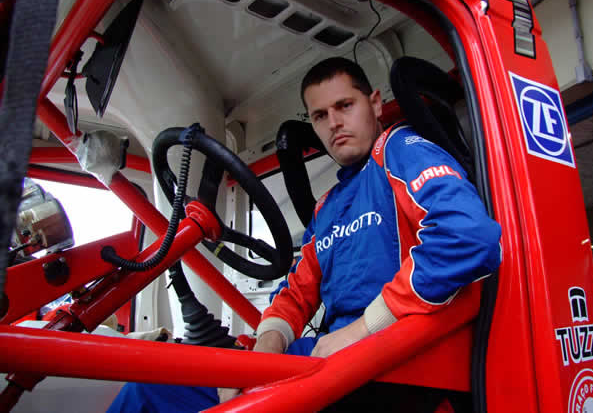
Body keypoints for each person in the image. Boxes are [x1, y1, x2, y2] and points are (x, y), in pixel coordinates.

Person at [108, 57, 501, 412]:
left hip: (397, 359)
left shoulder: (399, 149)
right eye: (320, 115)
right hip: (333, 357)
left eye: (345, 105)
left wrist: (363, 329)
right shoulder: (328, 205)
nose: (334, 123)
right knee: (149, 390)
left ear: (376, 104)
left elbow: (467, 237)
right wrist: (267, 345)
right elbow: (297, 292)